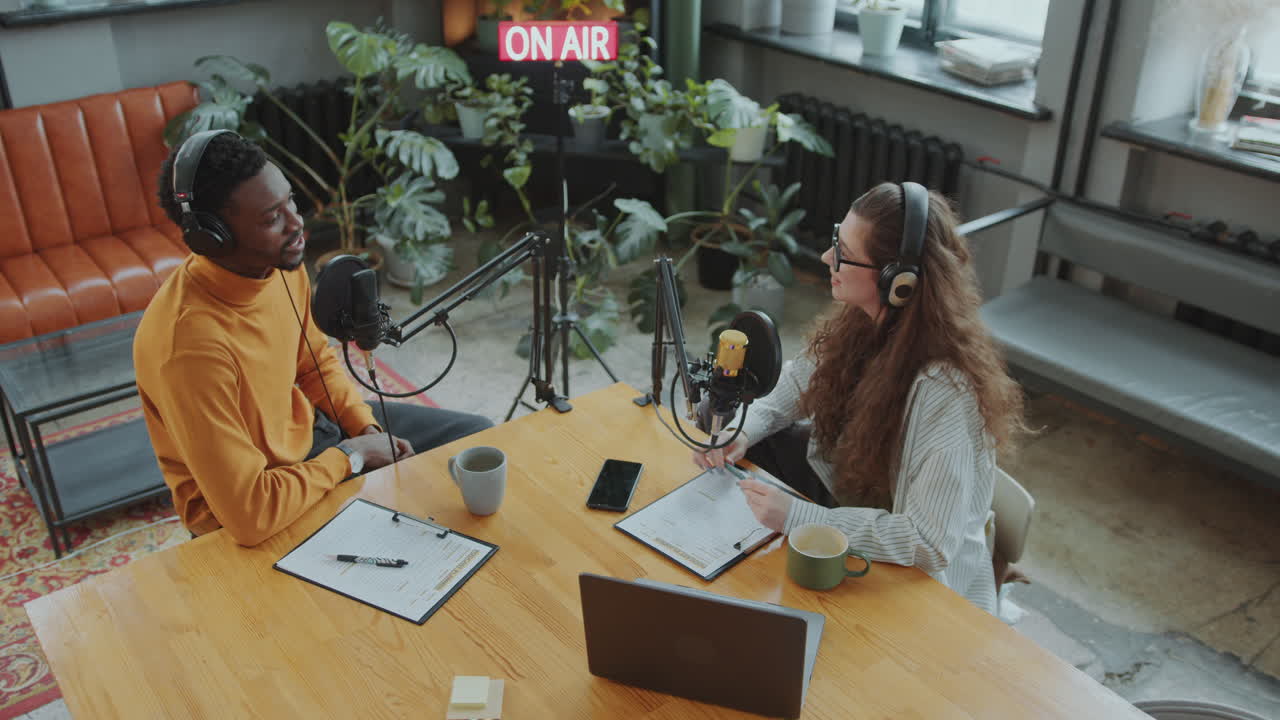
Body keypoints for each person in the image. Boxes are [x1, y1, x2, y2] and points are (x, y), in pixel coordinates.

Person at [135, 130, 492, 546]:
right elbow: (249, 515)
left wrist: (367, 430)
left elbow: (313, 363)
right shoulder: (189, 350)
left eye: (290, 201)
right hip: (246, 505)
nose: (296, 223)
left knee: (477, 439)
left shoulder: (279, 266)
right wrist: (350, 458)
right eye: (272, 218)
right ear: (212, 238)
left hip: (310, 442)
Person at [694, 182, 1027, 614]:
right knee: (756, 443)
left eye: (845, 253)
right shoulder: (866, 320)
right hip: (859, 506)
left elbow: (927, 543)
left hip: (927, 585)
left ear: (899, 282)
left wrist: (798, 518)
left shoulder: (947, 391)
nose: (827, 259)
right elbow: (798, 385)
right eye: (837, 240)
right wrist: (743, 431)